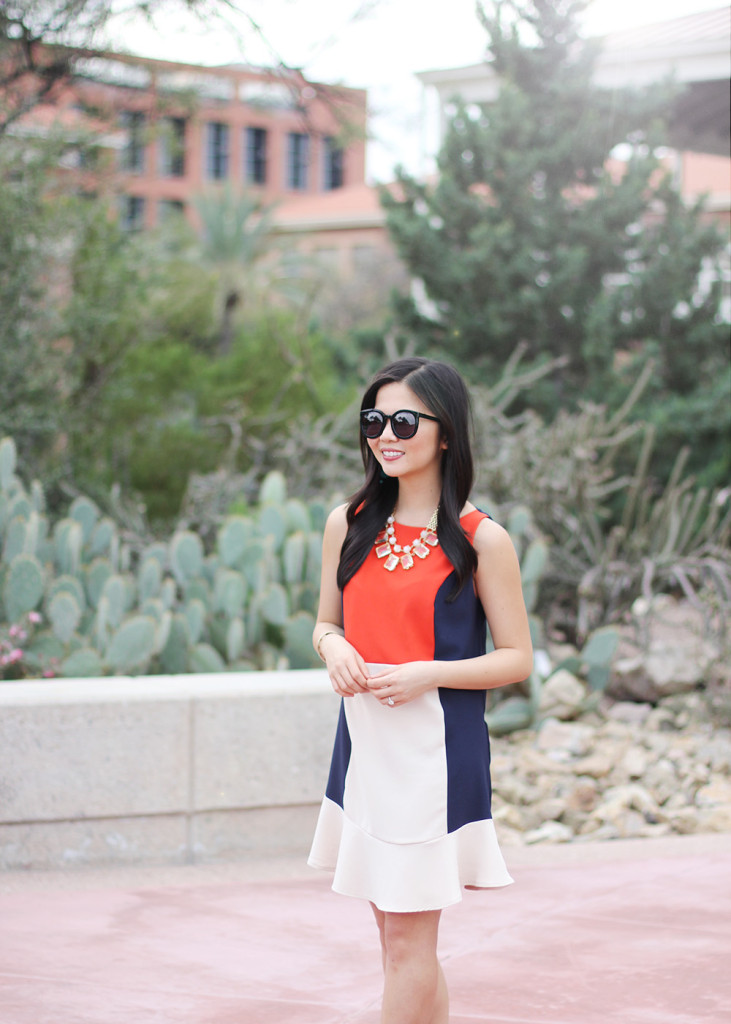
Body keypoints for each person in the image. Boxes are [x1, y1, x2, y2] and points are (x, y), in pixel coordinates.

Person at [308, 357, 533, 1024]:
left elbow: (517, 658)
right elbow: (324, 622)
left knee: (407, 941)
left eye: (403, 420)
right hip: (363, 751)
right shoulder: (345, 522)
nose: (385, 435)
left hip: (434, 756)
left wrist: (426, 671)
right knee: (393, 942)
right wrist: (335, 645)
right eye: (373, 420)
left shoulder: (480, 538)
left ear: (445, 433)